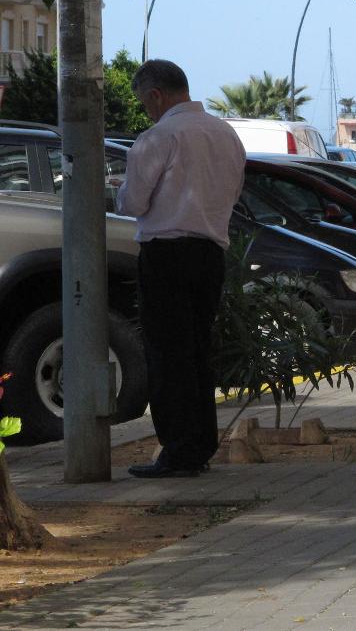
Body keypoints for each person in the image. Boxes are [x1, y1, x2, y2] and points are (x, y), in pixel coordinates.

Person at [117, 60, 246, 478]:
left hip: (166, 252)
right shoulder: (226, 135)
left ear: (155, 95)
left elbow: (133, 203)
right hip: (210, 253)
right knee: (196, 352)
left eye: (144, 103)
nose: (146, 112)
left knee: (167, 354)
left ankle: (178, 450)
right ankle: (199, 445)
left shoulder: (159, 137)